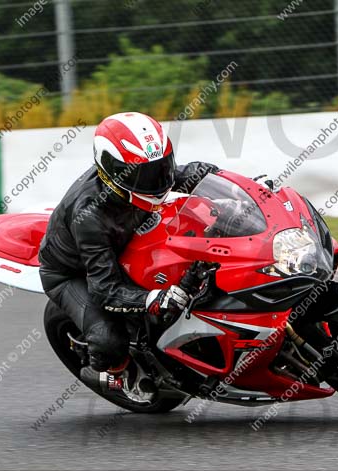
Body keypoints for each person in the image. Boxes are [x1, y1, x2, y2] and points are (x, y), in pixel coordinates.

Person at [38, 112, 219, 373]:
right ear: (111, 174)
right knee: (108, 341)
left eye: (160, 167)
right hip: (73, 273)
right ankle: (112, 372)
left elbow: (196, 173)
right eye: (142, 175)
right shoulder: (89, 216)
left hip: (124, 245)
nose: (157, 181)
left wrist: (247, 187)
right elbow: (104, 288)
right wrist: (154, 299)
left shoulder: (149, 173)